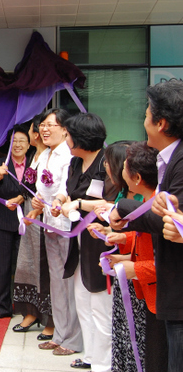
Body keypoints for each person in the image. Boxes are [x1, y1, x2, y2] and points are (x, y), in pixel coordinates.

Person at [110, 79, 183, 372]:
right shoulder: (170, 159)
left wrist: (123, 209)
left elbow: (168, 218)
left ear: (161, 123)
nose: (143, 121)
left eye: (146, 114)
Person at [93, 141, 167, 372]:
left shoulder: (157, 205)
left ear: (136, 178)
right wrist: (124, 244)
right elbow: (145, 242)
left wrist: (135, 268)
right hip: (148, 289)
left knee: (156, 356)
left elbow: (166, 261)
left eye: (124, 167)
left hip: (159, 294)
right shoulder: (149, 201)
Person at [25, 108, 82, 356]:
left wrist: (56, 202)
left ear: (65, 129)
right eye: (43, 125)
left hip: (67, 226)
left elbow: (66, 188)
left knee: (69, 283)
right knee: (57, 283)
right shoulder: (44, 155)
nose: (44, 130)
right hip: (49, 225)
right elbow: (42, 190)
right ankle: (60, 334)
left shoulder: (68, 154)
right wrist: (35, 207)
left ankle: (74, 340)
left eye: (51, 125)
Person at [58, 113, 111, 369]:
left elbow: (110, 205)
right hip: (79, 241)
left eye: (67, 134)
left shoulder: (107, 163)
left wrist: (78, 204)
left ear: (80, 137)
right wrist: (61, 203)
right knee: (83, 301)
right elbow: (69, 195)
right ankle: (90, 356)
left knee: (101, 305)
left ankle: (104, 362)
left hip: (101, 242)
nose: (65, 138)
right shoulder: (75, 164)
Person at [0, 125, 31, 319]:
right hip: (1, 219)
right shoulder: (0, 163)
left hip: (25, 221)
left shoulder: (33, 164)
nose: (17, 145)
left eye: (21, 141)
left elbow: (37, 189)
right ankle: (2, 307)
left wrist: (21, 198)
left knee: (24, 266)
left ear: (29, 145)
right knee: (1, 265)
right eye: (14, 141)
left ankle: (24, 306)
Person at [12, 113, 55, 338]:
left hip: (43, 215)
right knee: (27, 263)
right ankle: (30, 313)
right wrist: (19, 199)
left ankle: (47, 318)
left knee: (42, 266)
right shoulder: (34, 156)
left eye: (30, 130)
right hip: (29, 215)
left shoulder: (50, 155)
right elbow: (25, 186)